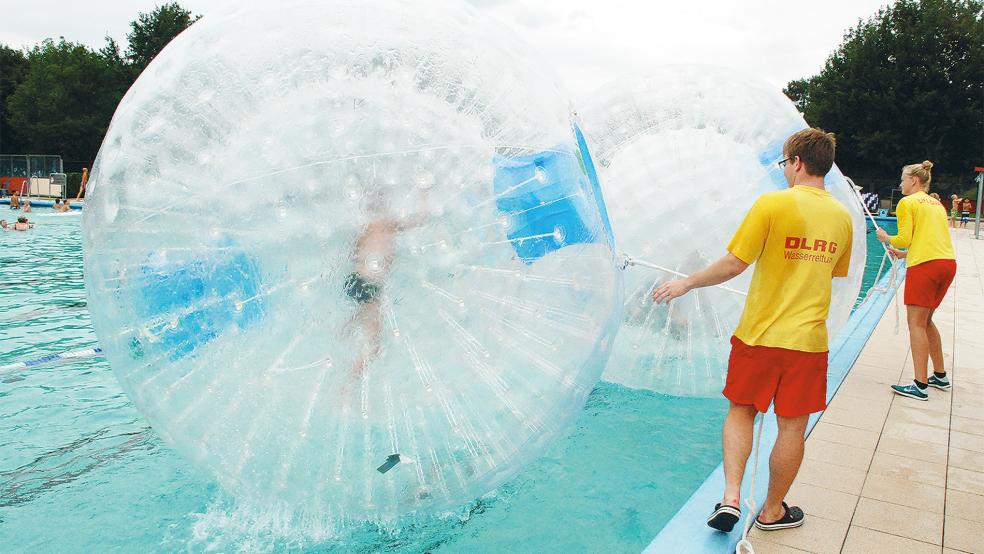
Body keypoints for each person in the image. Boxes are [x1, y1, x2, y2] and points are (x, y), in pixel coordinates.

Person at [653, 128, 852, 533]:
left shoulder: (772, 204)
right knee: (793, 426)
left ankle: (730, 499)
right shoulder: (843, 218)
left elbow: (734, 263)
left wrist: (686, 283)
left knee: (741, 412)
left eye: (784, 163)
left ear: (796, 162)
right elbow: (831, 273)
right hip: (809, 341)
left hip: (759, 335)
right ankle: (773, 510)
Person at [877, 161, 956, 400]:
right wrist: (904, 255)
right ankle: (940, 376)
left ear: (914, 180)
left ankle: (920, 385)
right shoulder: (936, 204)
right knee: (927, 320)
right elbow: (929, 239)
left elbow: (904, 238)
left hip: (925, 267)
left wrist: (885, 236)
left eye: (903, 179)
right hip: (946, 264)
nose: (900, 183)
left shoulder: (907, 202)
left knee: (916, 324)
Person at [342, 193, 428, 387]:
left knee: (365, 311)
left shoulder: (367, 228)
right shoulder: (388, 224)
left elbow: (352, 254)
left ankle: (349, 325)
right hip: (370, 284)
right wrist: (425, 194)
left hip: (358, 280)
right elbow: (419, 220)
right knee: (374, 345)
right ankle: (348, 385)